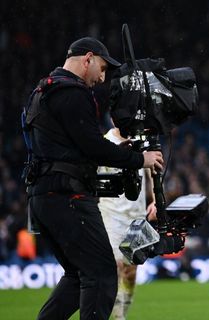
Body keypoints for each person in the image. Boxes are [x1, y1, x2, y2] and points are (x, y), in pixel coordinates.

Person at [24, 37, 163, 319]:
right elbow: (93, 146)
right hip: (68, 197)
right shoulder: (73, 92)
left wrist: (116, 153)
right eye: (101, 68)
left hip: (44, 196)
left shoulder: (43, 90)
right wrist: (139, 159)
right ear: (87, 58)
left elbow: (73, 148)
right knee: (101, 274)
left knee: (78, 276)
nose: (102, 77)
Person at [98, 127, 157, 320]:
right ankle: (112, 315)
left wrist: (154, 200)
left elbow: (152, 176)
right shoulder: (104, 142)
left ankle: (120, 314)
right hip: (110, 214)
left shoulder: (141, 143)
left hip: (136, 217)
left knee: (130, 272)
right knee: (115, 268)